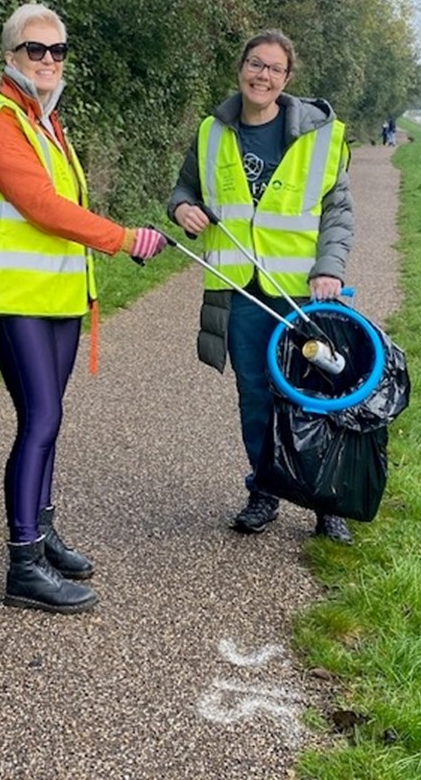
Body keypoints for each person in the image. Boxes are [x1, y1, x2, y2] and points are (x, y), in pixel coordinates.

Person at [0, 3, 167, 613]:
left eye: (57, 51)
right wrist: (124, 239)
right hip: (16, 301)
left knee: (49, 421)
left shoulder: (47, 123)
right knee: (40, 421)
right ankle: (24, 563)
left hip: (59, 299)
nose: (48, 60)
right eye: (34, 50)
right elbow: (43, 207)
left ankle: (43, 535)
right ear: (10, 57)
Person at [168, 29, 354, 544]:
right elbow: (185, 189)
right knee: (255, 397)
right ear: (241, 68)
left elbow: (338, 212)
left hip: (302, 293)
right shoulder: (211, 132)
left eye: (273, 68)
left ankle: (324, 503)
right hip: (240, 292)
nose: (262, 75)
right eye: (255, 64)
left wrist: (329, 266)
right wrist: (181, 207)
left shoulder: (320, 136)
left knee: (315, 396)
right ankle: (264, 491)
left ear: (287, 79)